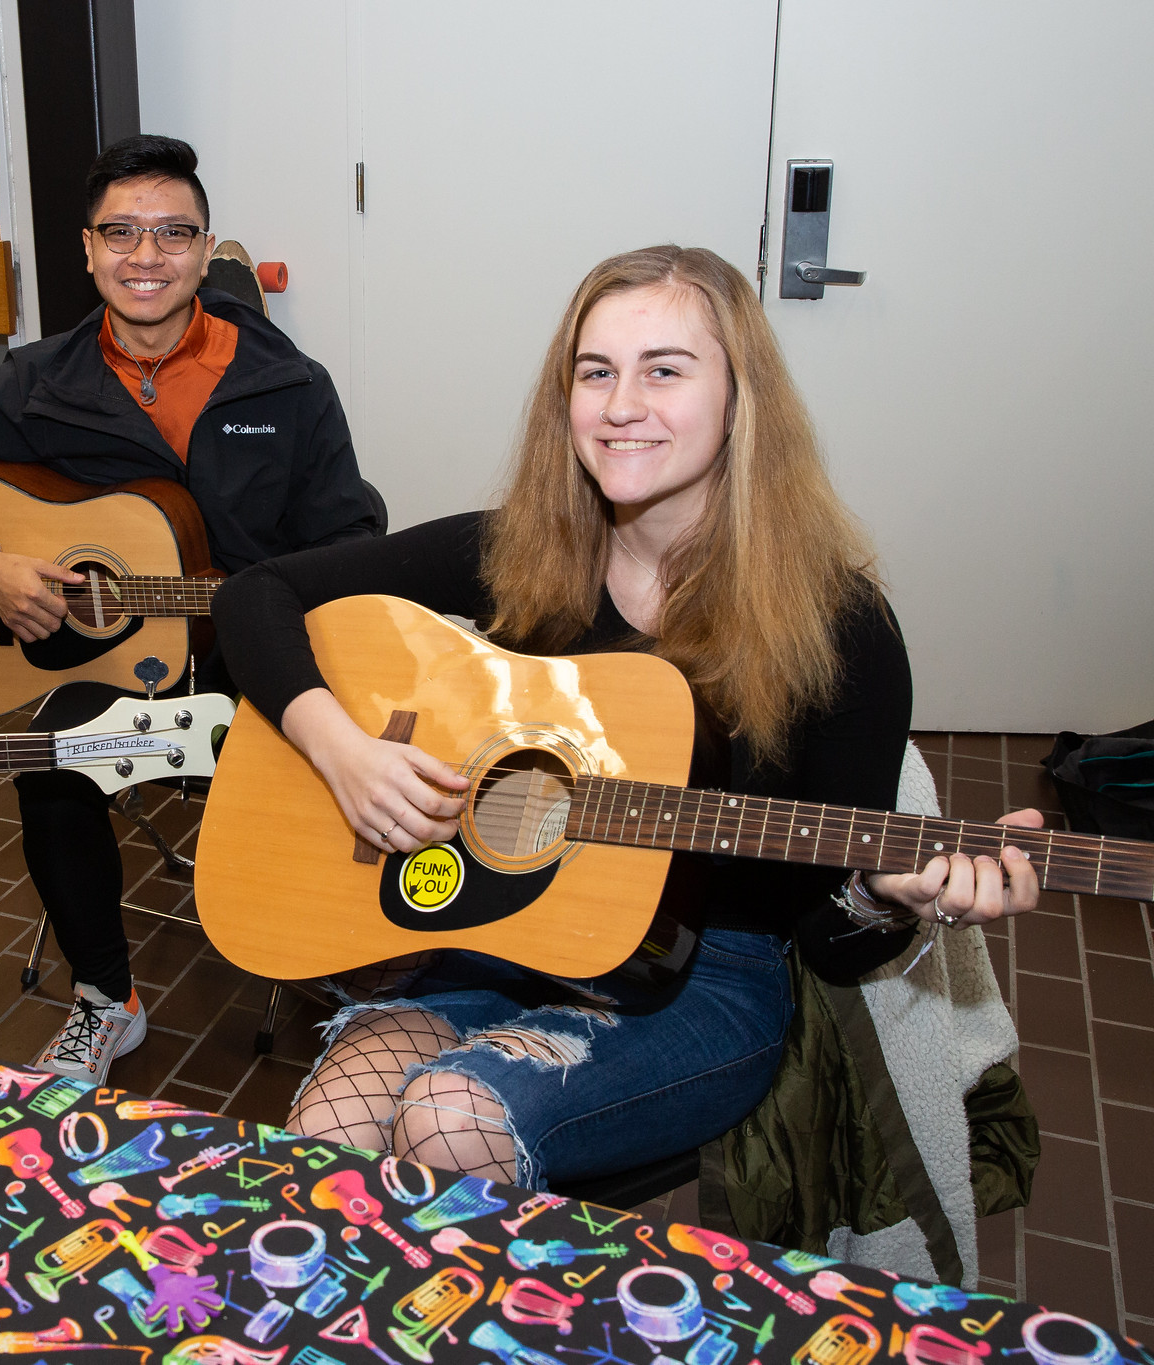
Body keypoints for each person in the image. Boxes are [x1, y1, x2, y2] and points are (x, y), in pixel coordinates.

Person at [210, 245, 1042, 1187]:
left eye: (665, 371)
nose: (619, 405)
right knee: (329, 1132)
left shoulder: (839, 628)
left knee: (450, 1117)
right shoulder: (519, 552)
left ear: (741, 399)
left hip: (702, 979)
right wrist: (343, 750)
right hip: (496, 940)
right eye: (595, 372)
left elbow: (828, 939)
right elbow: (254, 597)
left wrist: (883, 895)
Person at [0, 135, 378, 1083]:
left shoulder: (287, 386)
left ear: (208, 252)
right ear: (86, 251)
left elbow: (356, 545)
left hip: (254, 654)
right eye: (120, 232)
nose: (146, 255)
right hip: (119, 667)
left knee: (330, 753)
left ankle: (345, 965)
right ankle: (104, 997)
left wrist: (280, 607)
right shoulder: (40, 382)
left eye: (173, 232)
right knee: (51, 769)